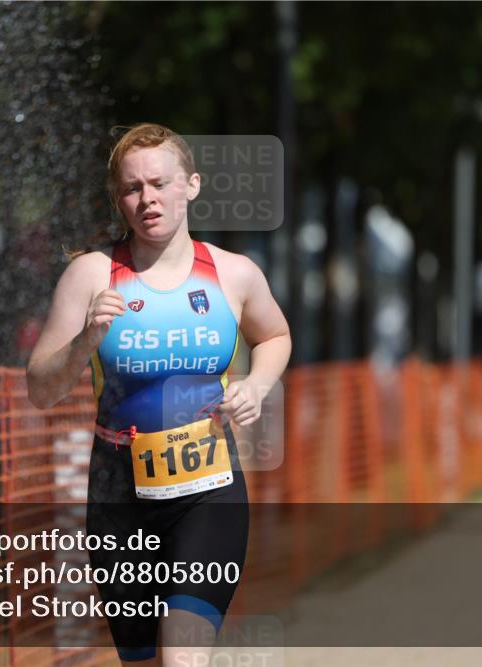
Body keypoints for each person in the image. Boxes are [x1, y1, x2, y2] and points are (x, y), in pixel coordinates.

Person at [26, 123, 291, 666]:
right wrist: (85, 340)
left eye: (159, 183)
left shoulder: (233, 274)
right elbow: (41, 390)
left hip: (207, 488)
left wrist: (257, 385)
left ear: (191, 185)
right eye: (132, 188)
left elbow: (276, 335)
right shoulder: (91, 275)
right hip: (118, 492)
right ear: (119, 198)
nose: (147, 199)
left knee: (182, 656)